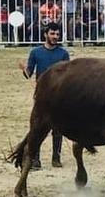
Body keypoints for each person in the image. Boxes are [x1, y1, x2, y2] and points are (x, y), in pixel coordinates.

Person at [18, 22, 69, 170]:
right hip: (41, 95)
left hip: (59, 95)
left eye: (57, 34)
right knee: (38, 128)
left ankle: (56, 158)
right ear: (46, 34)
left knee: (58, 128)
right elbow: (29, 73)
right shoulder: (35, 52)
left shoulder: (63, 53)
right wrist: (24, 69)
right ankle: (35, 160)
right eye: (52, 34)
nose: (55, 37)